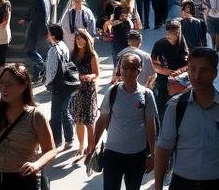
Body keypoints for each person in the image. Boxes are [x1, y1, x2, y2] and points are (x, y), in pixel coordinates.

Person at [153, 47, 219, 190]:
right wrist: (158, 186)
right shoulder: (176, 106)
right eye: (192, 69)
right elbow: (163, 148)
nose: (197, 76)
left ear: (215, 73)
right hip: (182, 183)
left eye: (204, 70)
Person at [0, 63, 56, 190]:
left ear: (23, 86)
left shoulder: (36, 116)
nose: (4, 88)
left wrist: (36, 164)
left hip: (23, 180)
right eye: (1, 83)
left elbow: (51, 150)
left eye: (9, 84)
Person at [87, 52, 159, 190]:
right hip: (112, 154)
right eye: (125, 68)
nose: (128, 72)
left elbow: (151, 125)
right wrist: (93, 146)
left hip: (137, 154)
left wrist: (152, 154)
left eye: (133, 68)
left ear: (139, 70)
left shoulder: (146, 94)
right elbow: (102, 120)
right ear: (119, 69)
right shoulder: (112, 92)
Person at [68, 28, 101, 158]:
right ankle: (81, 146)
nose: (79, 41)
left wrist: (88, 77)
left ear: (87, 40)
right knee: (78, 120)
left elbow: (97, 74)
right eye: (77, 38)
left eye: (82, 38)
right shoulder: (73, 54)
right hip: (76, 91)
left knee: (89, 120)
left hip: (88, 90)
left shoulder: (92, 55)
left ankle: (91, 147)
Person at [44, 25, 76, 152]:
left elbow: (51, 71)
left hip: (58, 86)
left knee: (56, 115)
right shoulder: (63, 46)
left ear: (53, 35)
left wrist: (47, 84)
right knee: (65, 112)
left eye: (48, 33)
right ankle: (69, 139)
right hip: (68, 84)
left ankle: (56, 143)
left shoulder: (53, 50)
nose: (47, 35)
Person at [18, 0, 52, 81]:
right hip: (38, 27)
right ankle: (37, 75)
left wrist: (43, 28)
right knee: (36, 50)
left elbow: (44, 15)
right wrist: (26, 19)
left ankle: (43, 67)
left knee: (30, 50)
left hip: (36, 28)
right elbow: (35, 11)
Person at [151, 20, 189, 108]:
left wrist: (179, 72)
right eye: (167, 33)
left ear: (177, 33)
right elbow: (153, 63)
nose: (167, 36)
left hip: (181, 83)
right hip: (163, 82)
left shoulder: (184, 45)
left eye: (171, 33)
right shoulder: (159, 44)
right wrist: (164, 71)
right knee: (162, 106)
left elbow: (190, 64)